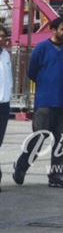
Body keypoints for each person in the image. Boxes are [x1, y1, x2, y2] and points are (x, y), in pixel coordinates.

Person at [13, 16, 63, 188]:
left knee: (62, 142)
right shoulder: (41, 48)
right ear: (53, 30)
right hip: (45, 102)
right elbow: (32, 72)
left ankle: (56, 176)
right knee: (38, 139)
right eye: (62, 29)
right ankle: (21, 166)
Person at [0, 27, 12, 191]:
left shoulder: (6, 55)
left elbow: (8, 78)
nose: (0, 38)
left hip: (3, 104)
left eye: (2, 36)